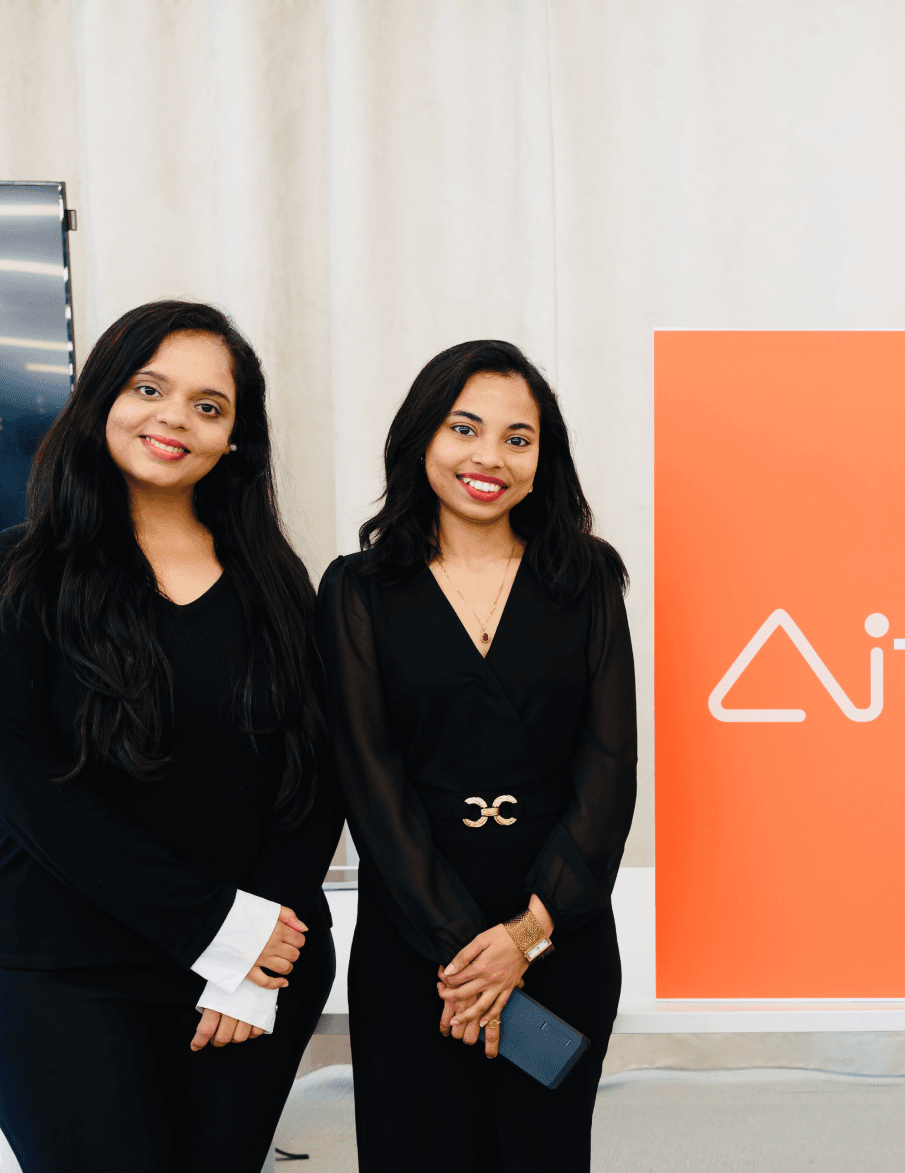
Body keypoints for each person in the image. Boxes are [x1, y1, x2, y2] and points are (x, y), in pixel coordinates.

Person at [0, 300, 341, 1173]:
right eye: (150, 388)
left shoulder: (276, 581)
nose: (175, 418)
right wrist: (213, 927)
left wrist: (253, 957)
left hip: (247, 969)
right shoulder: (19, 574)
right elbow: (24, 788)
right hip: (62, 965)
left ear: (234, 440)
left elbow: (316, 776)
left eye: (208, 405)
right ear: (103, 397)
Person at [319, 340, 637, 1172]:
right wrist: (471, 954)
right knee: (419, 1149)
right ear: (422, 435)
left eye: (517, 438)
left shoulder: (587, 579)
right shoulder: (357, 589)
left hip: (558, 933)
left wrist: (526, 936)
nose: (489, 457)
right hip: (417, 944)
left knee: (543, 1149)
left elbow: (609, 769)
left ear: (542, 458)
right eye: (465, 429)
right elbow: (369, 781)